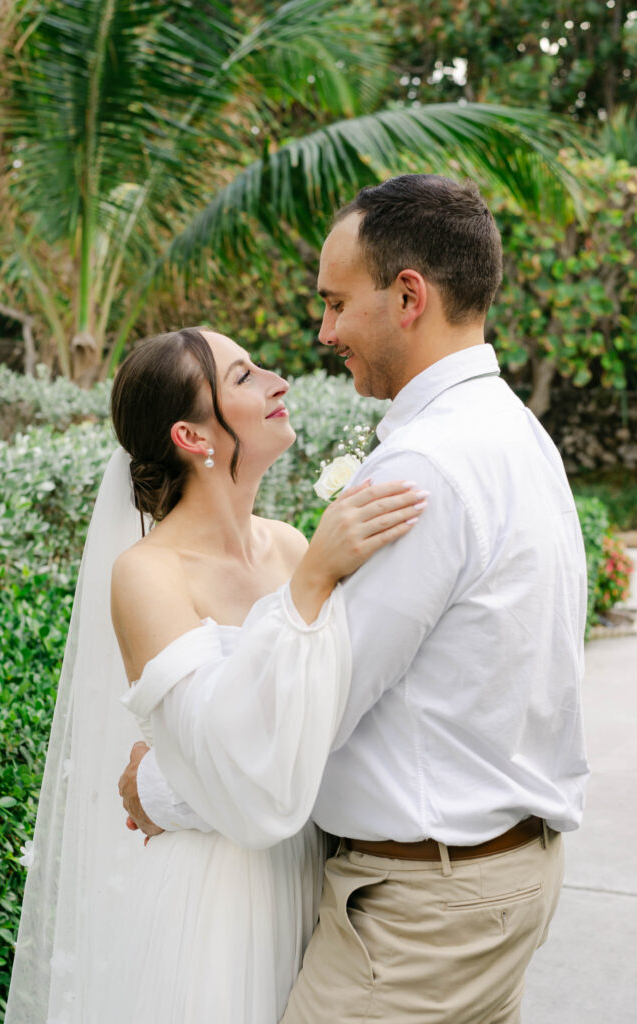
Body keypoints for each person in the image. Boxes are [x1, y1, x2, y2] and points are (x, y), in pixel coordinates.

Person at [120, 175, 590, 1024]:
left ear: (409, 296)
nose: (324, 332)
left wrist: (162, 791)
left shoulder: (424, 470)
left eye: (337, 303)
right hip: (488, 882)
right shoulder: (516, 434)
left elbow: (318, 700)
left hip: (423, 915)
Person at [4, 326, 425, 1024]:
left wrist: (156, 787)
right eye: (243, 376)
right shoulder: (148, 574)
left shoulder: (291, 544)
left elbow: (336, 720)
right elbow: (226, 754)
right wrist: (315, 580)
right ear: (193, 438)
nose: (277, 380)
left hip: (311, 874)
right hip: (216, 899)